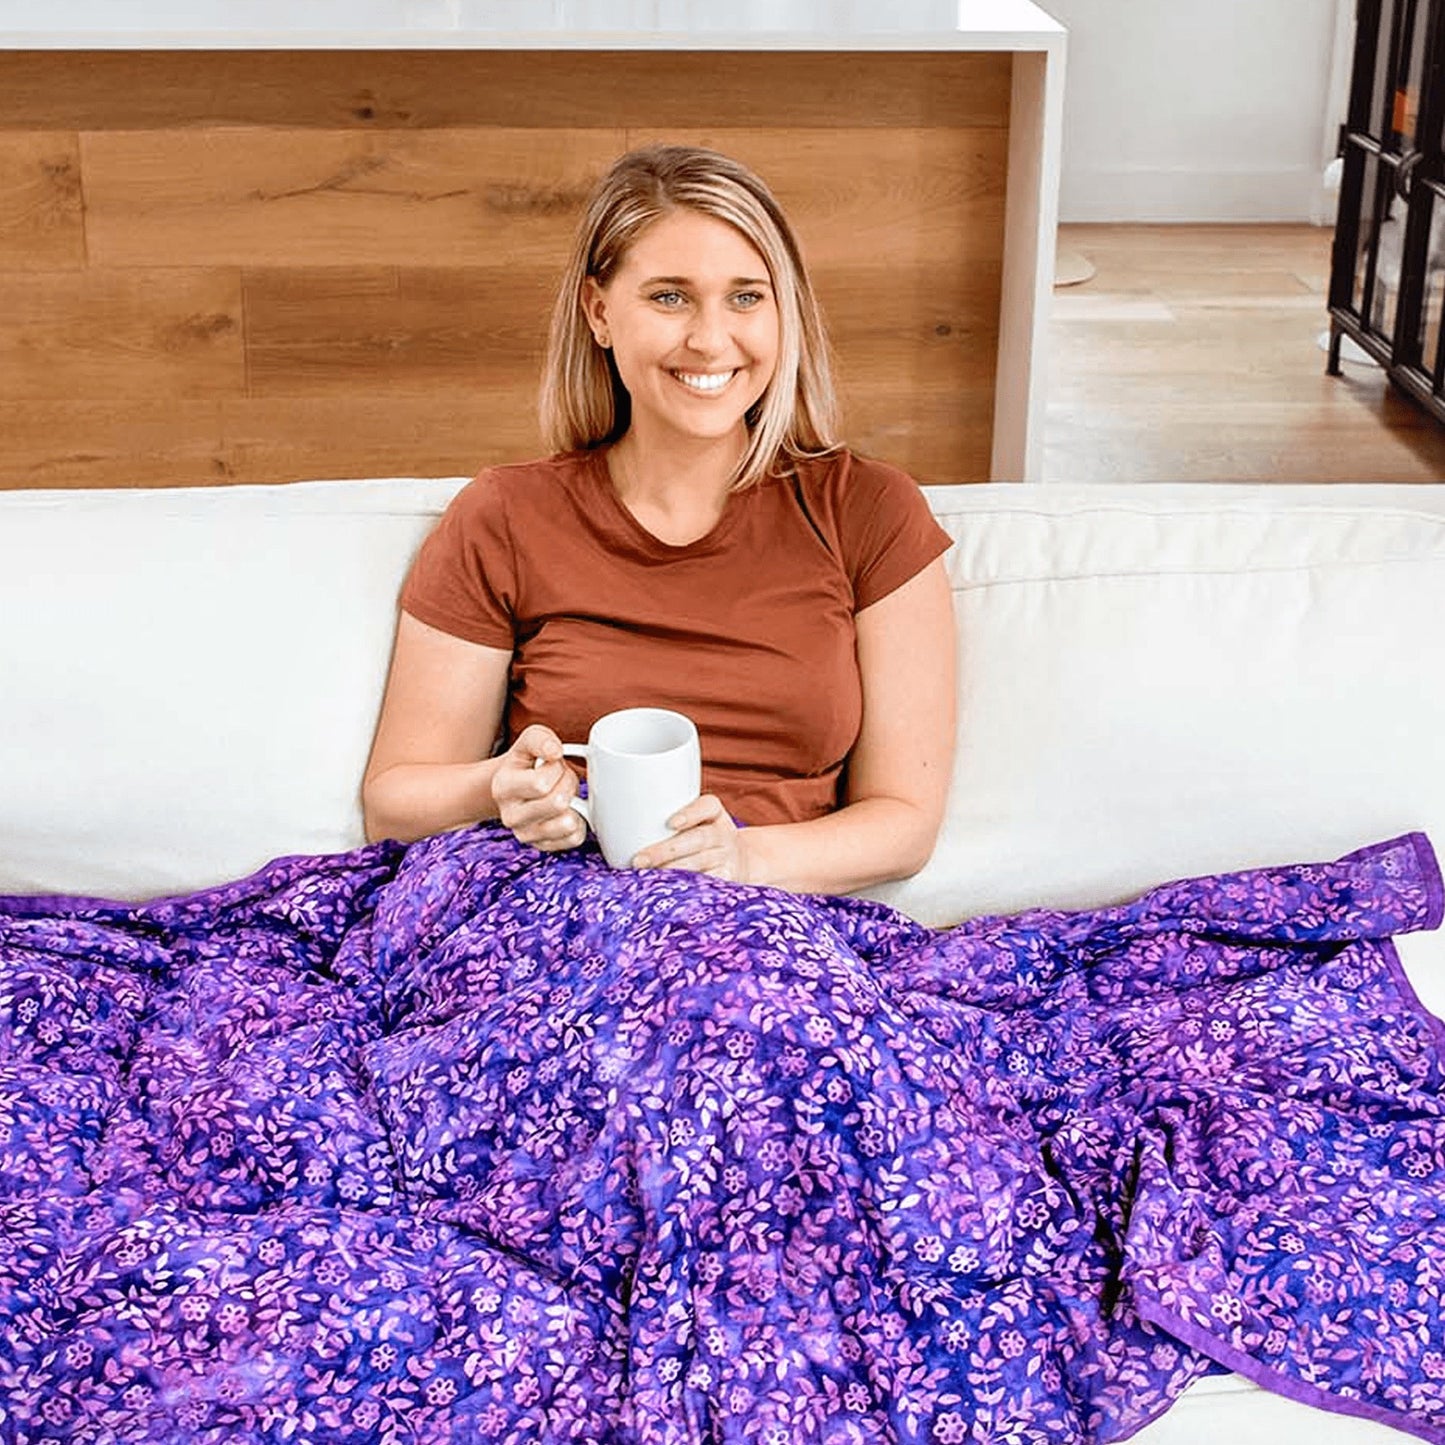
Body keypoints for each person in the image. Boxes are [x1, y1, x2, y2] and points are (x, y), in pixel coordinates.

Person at [362, 144, 955, 895]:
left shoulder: (868, 512)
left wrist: (745, 861)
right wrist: (496, 788)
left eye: (746, 297)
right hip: (552, 907)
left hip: (764, 926)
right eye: (670, 297)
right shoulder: (505, 516)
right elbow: (393, 800)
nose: (710, 340)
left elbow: (904, 820)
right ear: (599, 312)